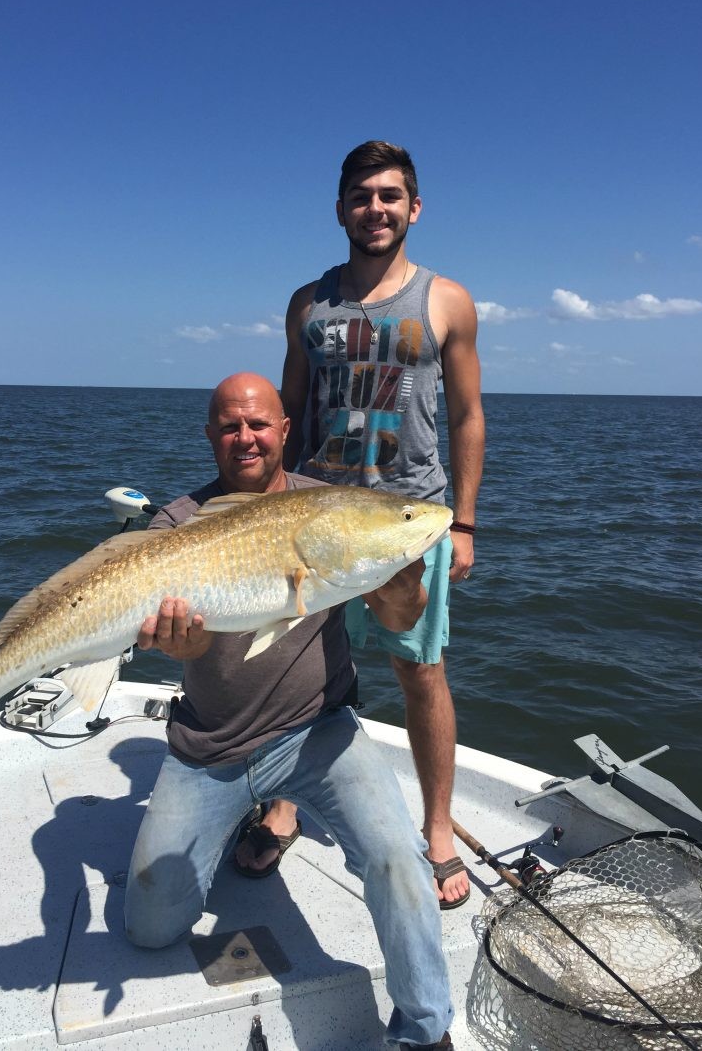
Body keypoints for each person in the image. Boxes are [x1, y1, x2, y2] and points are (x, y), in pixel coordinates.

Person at [124, 372, 454, 1050]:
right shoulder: (176, 522)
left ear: (283, 430)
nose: (245, 437)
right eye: (229, 425)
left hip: (317, 732)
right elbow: (168, 645)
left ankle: (425, 1032)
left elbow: (398, 611)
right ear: (212, 435)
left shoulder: (330, 510)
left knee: (398, 859)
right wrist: (175, 644)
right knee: (150, 927)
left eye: (258, 424)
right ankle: (252, 814)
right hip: (208, 745)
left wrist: (399, 573)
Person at [262, 141, 485, 911]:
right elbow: (289, 415)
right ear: (340, 210)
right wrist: (265, 512)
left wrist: (461, 523)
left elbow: (467, 415)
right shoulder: (306, 303)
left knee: (420, 673)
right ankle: (286, 804)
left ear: (413, 207)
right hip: (314, 525)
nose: (375, 208)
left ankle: (438, 829)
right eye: (361, 196)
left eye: (390, 196)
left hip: (405, 520)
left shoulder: (446, 300)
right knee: (296, 676)